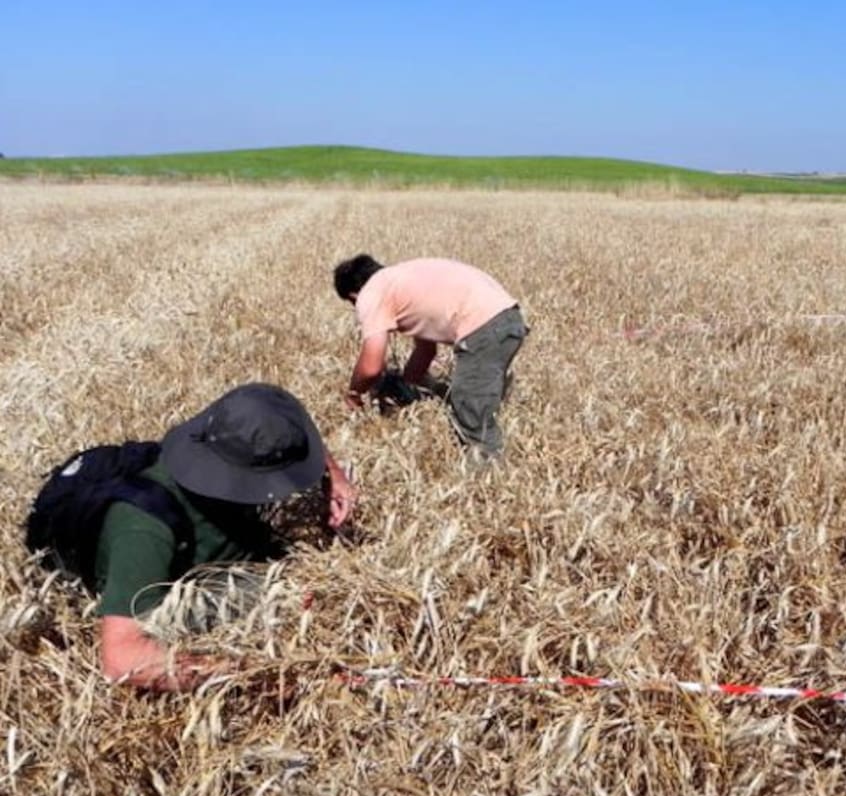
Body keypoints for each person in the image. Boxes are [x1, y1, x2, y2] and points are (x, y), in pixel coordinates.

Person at [93, 383, 355, 691]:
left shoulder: (223, 436)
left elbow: (277, 420)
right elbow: (119, 660)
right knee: (286, 596)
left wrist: (333, 474)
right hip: (169, 571)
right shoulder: (143, 529)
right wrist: (263, 673)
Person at [333, 255, 529, 458]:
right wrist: (407, 387)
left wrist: (354, 395)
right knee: (478, 399)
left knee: (470, 410)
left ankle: (487, 476)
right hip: (509, 318)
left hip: (483, 326)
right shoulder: (400, 281)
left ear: (353, 296)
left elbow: (371, 367)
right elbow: (426, 352)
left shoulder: (371, 292)